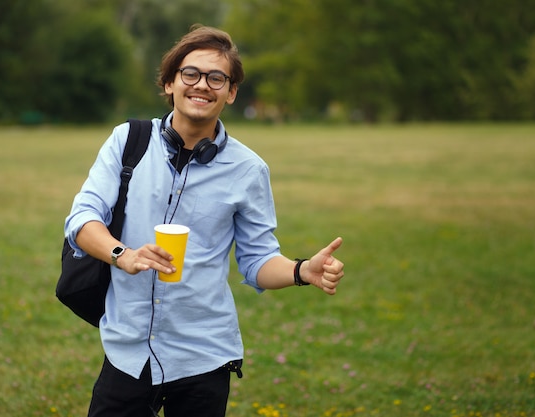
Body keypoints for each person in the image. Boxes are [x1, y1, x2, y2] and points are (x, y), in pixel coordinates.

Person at [64, 25, 345, 417]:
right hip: (128, 352)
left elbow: (258, 259)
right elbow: (82, 219)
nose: (202, 85)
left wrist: (301, 270)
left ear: (230, 92)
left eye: (217, 78)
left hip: (204, 356)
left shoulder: (249, 170)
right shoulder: (126, 141)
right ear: (169, 83)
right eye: (190, 74)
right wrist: (122, 254)